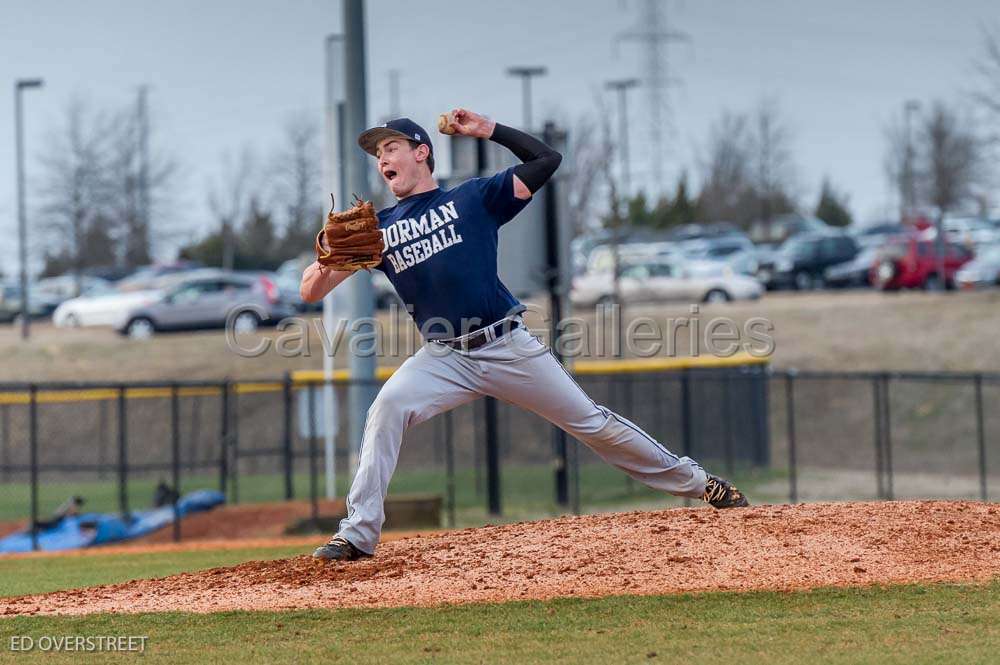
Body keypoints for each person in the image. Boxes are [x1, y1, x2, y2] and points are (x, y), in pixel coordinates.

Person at [300, 109, 748, 561]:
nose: (382, 159)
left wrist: (487, 130)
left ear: (422, 153)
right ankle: (357, 533)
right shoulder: (379, 230)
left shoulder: (474, 198)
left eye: (391, 147)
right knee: (386, 409)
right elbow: (310, 290)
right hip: (443, 358)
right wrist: (329, 257)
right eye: (378, 153)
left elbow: (545, 160)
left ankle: (699, 482)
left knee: (593, 424)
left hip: (506, 345)